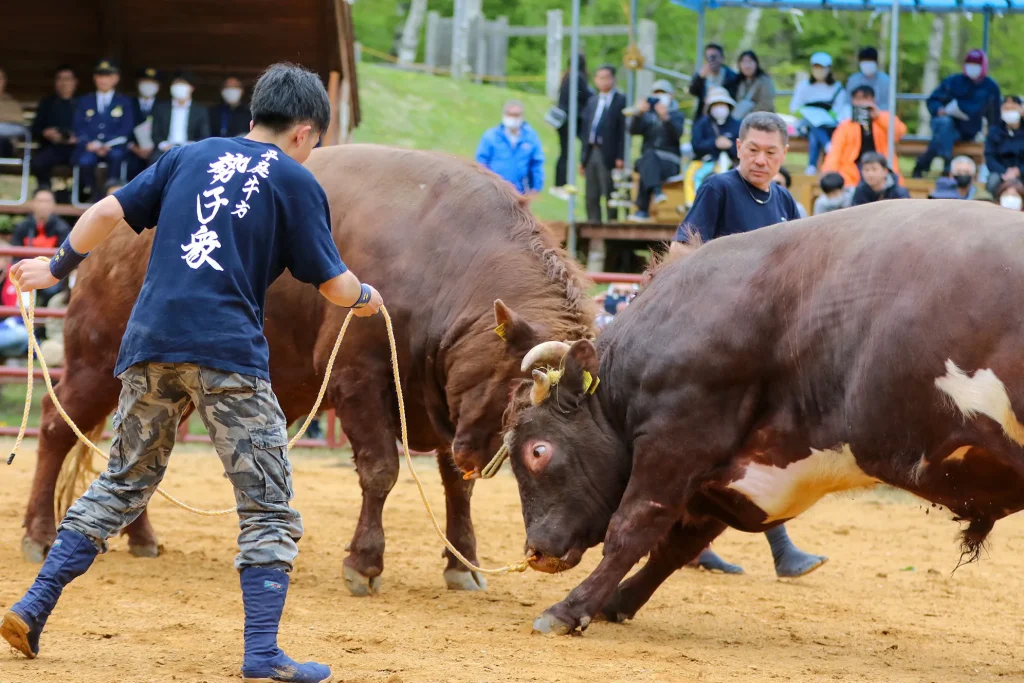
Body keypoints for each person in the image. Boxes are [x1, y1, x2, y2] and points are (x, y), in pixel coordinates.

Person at [1, 63, 384, 683]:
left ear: (257, 113)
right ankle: (262, 653)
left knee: (121, 483)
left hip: (149, 343)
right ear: (305, 132)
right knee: (267, 506)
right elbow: (333, 284)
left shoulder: (187, 156)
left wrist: (56, 268)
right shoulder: (295, 181)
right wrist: (366, 295)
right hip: (227, 352)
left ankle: (32, 606)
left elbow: (104, 211)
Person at [670, 112, 826, 578]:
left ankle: (715, 545)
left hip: (761, 342)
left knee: (751, 439)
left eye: (771, 152)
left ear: (784, 155)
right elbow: (682, 253)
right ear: (738, 147)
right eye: (753, 149)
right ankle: (769, 549)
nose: (761, 159)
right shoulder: (718, 189)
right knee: (725, 440)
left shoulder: (785, 202)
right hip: (718, 338)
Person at [913, 49, 1001, 178]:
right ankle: (947, 165)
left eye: (976, 64)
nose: (972, 67)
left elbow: (994, 116)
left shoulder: (990, 87)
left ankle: (923, 163)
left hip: (969, 129)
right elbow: (933, 100)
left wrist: (992, 138)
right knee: (945, 126)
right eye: (970, 63)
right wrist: (939, 109)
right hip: (946, 124)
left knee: (941, 135)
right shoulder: (953, 81)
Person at [821, 85, 907, 189]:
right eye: (857, 99)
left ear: (873, 99)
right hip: (854, 170)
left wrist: (878, 116)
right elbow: (835, 151)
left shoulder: (884, 118)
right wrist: (829, 173)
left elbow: (900, 132)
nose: (862, 102)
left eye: (865, 98)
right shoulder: (846, 126)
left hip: (880, 166)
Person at [72, 59, 135, 201]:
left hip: (114, 147)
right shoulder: (84, 101)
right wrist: (88, 143)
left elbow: (126, 128)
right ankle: (94, 194)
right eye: (100, 76)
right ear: (95, 78)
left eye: (108, 76)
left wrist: (108, 144)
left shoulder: (124, 102)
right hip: (90, 147)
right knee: (85, 161)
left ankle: (112, 195)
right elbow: (78, 126)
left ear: (116, 78)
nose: (104, 80)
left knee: (117, 157)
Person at [627, 80, 684, 222]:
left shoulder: (677, 115)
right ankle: (657, 191)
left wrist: (666, 117)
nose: (660, 96)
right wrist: (638, 113)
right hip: (649, 159)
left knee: (648, 158)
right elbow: (632, 130)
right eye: (656, 93)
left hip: (669, 160)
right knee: (649, 157)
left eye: (663, 93)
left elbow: (677, 134)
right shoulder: (647, 115)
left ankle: (642, 209)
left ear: (671, 96)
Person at [579, 64, 626, 223]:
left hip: (610, 153)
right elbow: (586, 132)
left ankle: (612, 228)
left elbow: (622, 132)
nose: (603, 81)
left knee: (610, 192)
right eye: (600, 78)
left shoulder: (621, 101)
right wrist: (583, 159)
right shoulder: (592, 101)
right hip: (592, 150)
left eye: (606, 77)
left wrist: (621, 156)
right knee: (591, 193)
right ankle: (593, 225)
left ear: (613, 79)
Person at [790, 52, 850, 176]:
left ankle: (812, 165)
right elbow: (794, 107)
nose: (819, 71)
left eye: (822, 67)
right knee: (814, 126)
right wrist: (808, 112)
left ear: (829, 69)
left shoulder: (837, 88)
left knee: (815, 131)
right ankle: (828, 147)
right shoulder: (804, 86)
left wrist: (827, 116)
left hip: (830, 125)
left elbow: (839, 111)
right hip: (807, 124)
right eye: (816, 67)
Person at [11, 188, 72, 305]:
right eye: (40, 201)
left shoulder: (62, 228)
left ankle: (45, 321)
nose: (43, 205)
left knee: (53, 289)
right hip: (26, 270)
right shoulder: (22, 227)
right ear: (32, 204)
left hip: (51, 270)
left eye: (47, 201)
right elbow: (14, 256)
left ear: (53, 205)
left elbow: (66, 257)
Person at [475, 99, 545, 197]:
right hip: (494, 191)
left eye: (516, 115)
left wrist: (536, 188)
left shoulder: (531, 138)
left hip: (520, 192)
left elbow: (536, 164)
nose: (513, 118)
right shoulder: (491, 136)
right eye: (510, 114)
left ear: (522, 116)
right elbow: (481, 162)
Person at [31, 65, 79, 190]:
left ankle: (80, 195)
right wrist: (46, 132)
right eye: (60, 79)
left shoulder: (82, 103)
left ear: (75, 82)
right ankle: (45, 191)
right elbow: (35, 129)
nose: (64, 83)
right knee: (37, 162)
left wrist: (75, 137)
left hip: (76, 148)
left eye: (68, 79)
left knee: (87, 162)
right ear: (55, 82)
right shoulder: (47, 103)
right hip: (52, 147)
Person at [151, 71, 211, 164]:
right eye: (176, 83)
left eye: (183, 83)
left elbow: (204, 135)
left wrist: (190, 146)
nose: (179, 86)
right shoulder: (161, 108)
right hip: (165, 151)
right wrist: (164, 146)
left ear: (191, 87)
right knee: (154, 160)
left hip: (190, 150)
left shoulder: (200, 110)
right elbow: (155, 133)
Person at [552, 53, 591, 197]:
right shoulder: (577, 77)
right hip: (569, 120)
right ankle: (561, 184)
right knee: (567, 153)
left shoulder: (567, 76)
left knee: (565, 153)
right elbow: (586, 96)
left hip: (566, 120)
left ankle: (560, 184)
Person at [688, 43, 740, 123]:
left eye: (714, 57)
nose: (711, 60)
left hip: (723, 115)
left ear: (722, 58)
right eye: (707, 57)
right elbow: (692, 91)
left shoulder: (731, 76)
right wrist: (700, 78)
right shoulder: (701, 74)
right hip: (703, 116)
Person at [984, 96, 1024, 196]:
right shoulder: (994, 132)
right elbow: (989, 157)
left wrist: (1018, 171)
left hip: (1021, 171)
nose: (1010, 112)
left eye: (1013, 109)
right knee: (992, 180)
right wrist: (1005, 172)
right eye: (1006, 109)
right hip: (1001, 172)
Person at [127, 67, 161, 180]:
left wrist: (153, 147)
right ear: (138, 83)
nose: (148, 86)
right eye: (145, 82)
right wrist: (134, 147)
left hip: (155, 149)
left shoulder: (163, 106)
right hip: (132, 150)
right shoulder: (129, 104)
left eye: (152, 82)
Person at [691, 87, 741, 165]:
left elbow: (745, 150)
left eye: (722, 105)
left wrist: (731, 145)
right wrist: (714, 143)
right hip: (705, 165)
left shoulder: (738, 125)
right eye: (716, 105)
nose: (720, 108)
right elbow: (696, 145)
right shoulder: (702, 123)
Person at [0, 252, 29, 359]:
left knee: (21, 335)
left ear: (7, 261)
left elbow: (23, 316)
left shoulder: (19, 277)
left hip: (11, 329)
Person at [733, 50, 775, 120]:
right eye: (743, 62)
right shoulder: (738, 81)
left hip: (762, 119)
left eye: (750, 62)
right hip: (741, 120)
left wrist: (749, 115)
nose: (747, 66)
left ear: (756, 63)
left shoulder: (764, 80)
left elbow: (766, 104)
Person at [845, 47, 891, 112]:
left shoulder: (885, 81)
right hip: (856, 115)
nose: (867, 64)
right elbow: (848, 103)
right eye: (864, 61)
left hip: (880, 116)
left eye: (870, 60)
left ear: (876, 62)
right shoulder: (853, 80)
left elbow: (887, 104)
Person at [0, 67, 27, 159]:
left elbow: (19, 121)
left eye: (0, 78)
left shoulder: (13, 104)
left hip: (5, 144)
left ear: (4, 81)